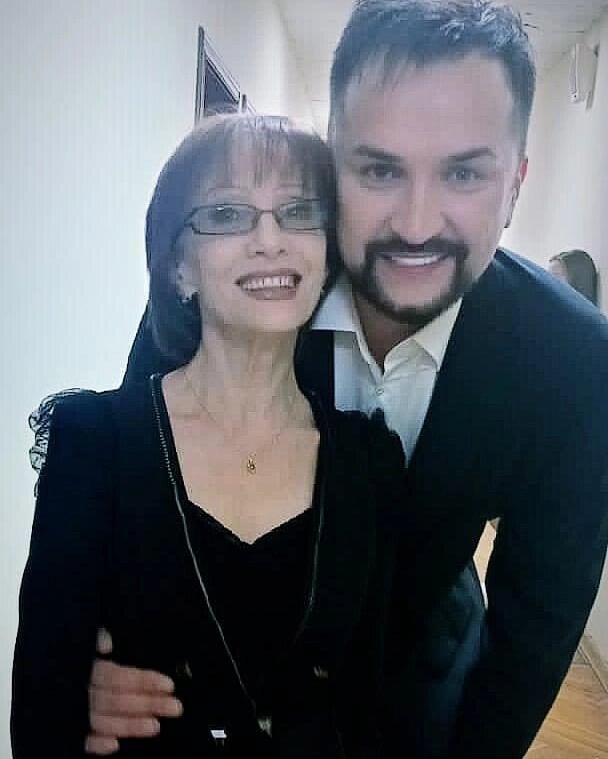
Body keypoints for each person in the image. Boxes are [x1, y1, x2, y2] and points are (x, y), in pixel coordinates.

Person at [61, 0, 608, 757]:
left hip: (421, 660)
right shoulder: (233, 286)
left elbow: (535, 631)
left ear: (515, 184)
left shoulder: (575, 363)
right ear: (331, 164)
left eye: (464, 173)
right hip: (209, 668)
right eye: (379, 169)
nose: (417, 224)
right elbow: (130, 489)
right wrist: (87, 662)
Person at [12, 113, 416, 758]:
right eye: (228, 214)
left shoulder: (369, 462)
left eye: (297, 212)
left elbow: (368, 706)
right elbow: (42, 715)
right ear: (179, 267)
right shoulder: (92, 444)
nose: (269, 240)